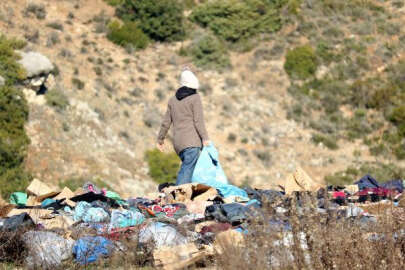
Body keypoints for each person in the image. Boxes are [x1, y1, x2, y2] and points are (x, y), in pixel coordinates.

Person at [157, 68, 210, 185]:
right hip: (192, 142)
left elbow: (166, 122)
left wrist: (160, 139)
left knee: (188, 169)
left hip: (178, 144)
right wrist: (205, 138)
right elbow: (198, 121)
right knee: (187, 170)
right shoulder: (195, 98)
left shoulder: (172, 100)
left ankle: (185, 195)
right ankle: (179, 195)